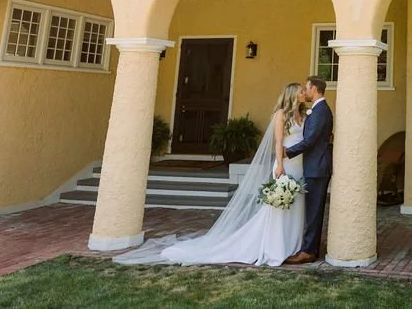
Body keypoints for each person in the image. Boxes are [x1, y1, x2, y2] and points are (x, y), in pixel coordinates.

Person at [113, 82, 306, 267]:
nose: (304, 93)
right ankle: (276, 248)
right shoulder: (281, 115)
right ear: (292, 95)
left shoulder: (303, 114)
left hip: (299, 166)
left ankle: (292, 246)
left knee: (296, 206)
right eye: (300, 91)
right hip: (285, 165)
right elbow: (278, 142)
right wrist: (279, 165)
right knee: (280, 207)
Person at [282, 75, 333, 264]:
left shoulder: (320, 111)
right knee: (312, 209)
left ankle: (309, 251)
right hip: (314, 166)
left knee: (314, 211)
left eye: (307, 87)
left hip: (317, 167)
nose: (305, 91)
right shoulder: (317, 111)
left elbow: (310, 140)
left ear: (314, 89)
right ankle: (309, 247)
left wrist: (287, 152)